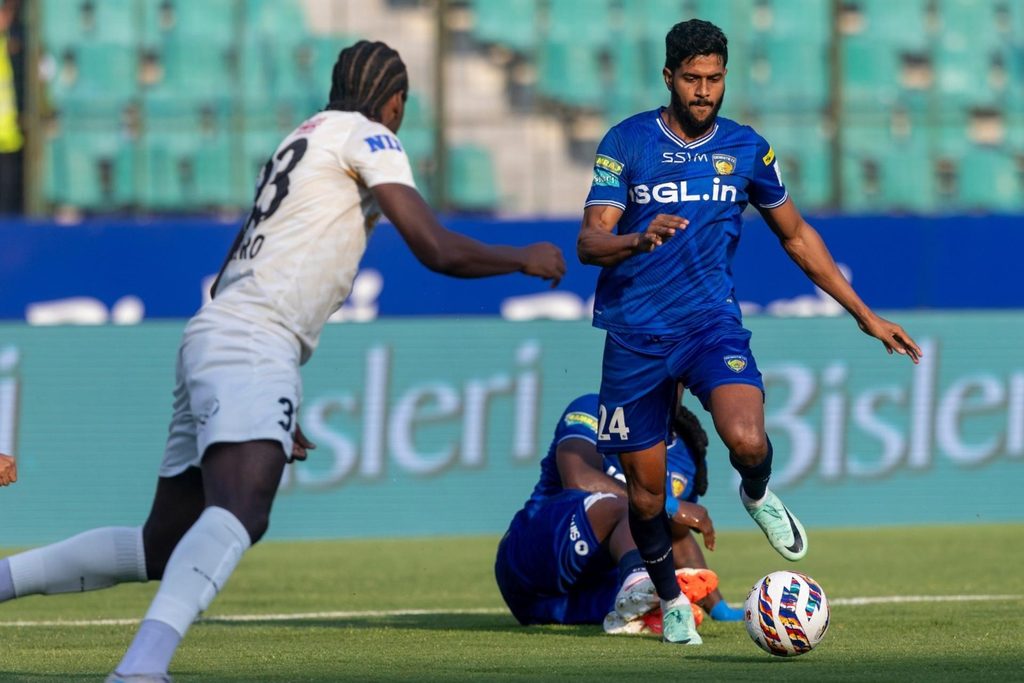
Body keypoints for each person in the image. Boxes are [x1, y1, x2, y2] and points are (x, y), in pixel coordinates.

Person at [0, 40, 565, 683]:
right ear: (394, 101)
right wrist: (521, 257)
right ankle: (140, 670)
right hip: (252, 338)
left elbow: (234, 262)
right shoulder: (371, 136)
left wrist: (269, 399)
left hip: (217, 328)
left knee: (162, 543)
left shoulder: (301, 136)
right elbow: (435, 248)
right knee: (243, 507)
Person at [576, 19, 922, 645]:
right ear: (668, 77)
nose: (704, 91)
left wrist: (864, 313)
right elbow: (589, 241)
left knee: (746, 438)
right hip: (634, 335)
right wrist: (635, 238)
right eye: (692, 78)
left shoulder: (747, 149)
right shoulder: (626, 142)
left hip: (709, 325)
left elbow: (796, 235)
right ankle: (670, 598)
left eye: (714, 78)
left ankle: (758, 494)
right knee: (647, 499)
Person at [494, 390, 740, 642]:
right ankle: (638, 584)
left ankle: (643, 608)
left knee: (661, 549)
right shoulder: (595, 408)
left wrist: (720, 609)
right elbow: (578, 477)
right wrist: (670, 504)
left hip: (571, 599)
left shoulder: (686, 457)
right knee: (638, 506)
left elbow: (675, 535)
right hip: (528, 562)